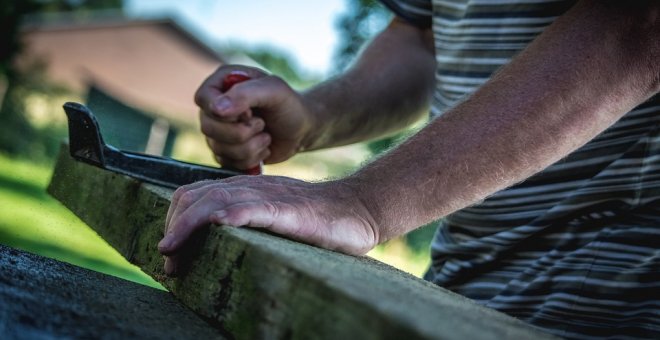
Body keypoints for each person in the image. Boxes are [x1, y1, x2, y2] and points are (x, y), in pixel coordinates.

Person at [159, 0, 659, 338]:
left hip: (606, 305)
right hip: (455, 282)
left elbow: (638, 26)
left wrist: (365, 201)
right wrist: (312, 119)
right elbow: (422, 40)